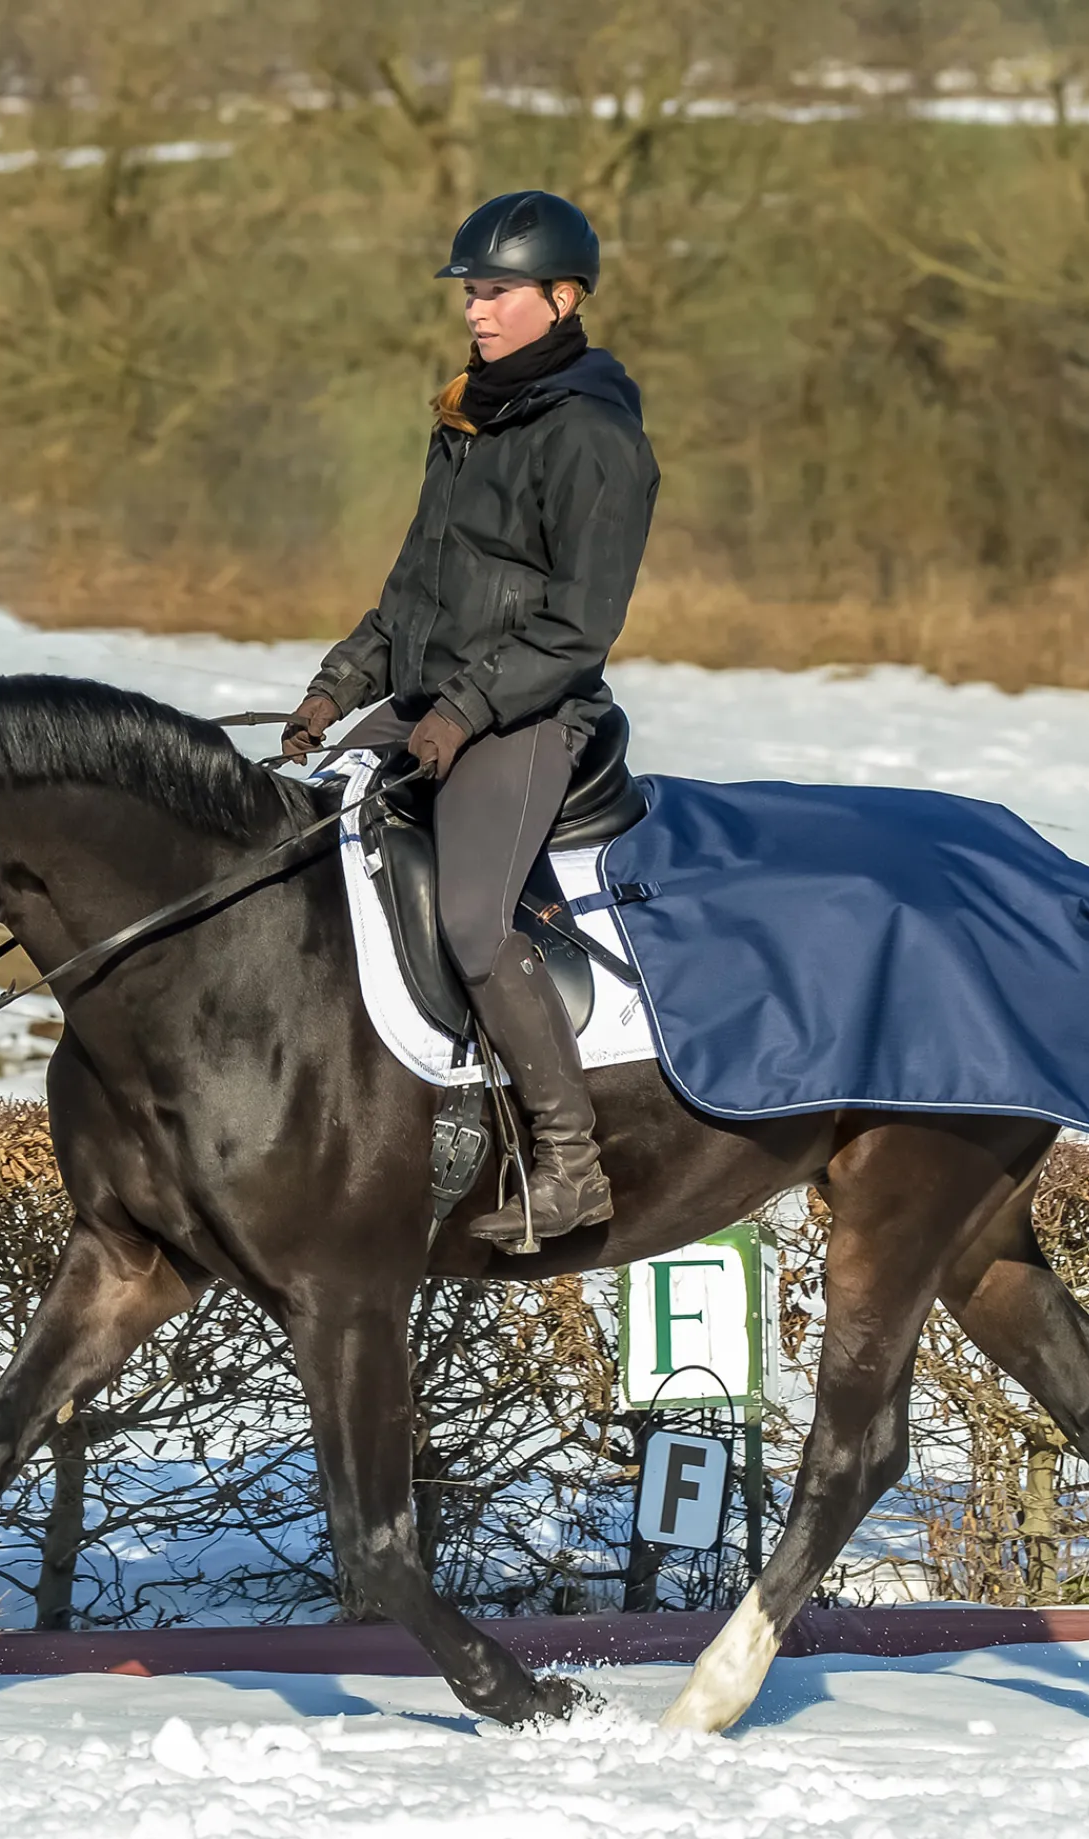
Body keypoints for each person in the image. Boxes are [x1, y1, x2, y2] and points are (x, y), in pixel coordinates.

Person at [283, 190, 659, 1250]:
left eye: (497, 292)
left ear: (563, 298)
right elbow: (412, 594)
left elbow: (579, 627)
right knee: (293, 845)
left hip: (531, 716)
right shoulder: (463, 418)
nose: (476, 311)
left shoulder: (594, 437)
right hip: (427, 706)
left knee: (473, 922)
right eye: (471, 293)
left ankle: (570, 1162)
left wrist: (465, 708)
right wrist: (336, 687)